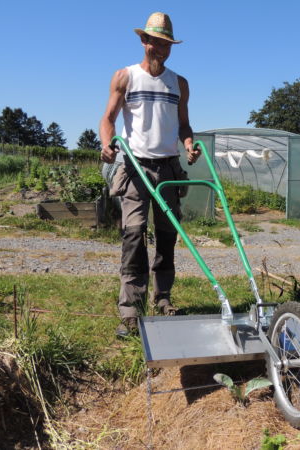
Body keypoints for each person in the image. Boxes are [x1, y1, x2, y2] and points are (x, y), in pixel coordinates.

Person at [100, 12, 201, 337]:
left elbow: (184, 124)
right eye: (155, 42)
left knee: (168, 237)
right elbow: (108, 118)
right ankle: (130, 311)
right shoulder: (125, 77)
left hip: (169, 167)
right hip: (135, 167)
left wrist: (189, 144)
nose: (160, 48)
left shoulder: (179, 83)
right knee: (134, 235)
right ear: (144, 41)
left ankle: (163, 298)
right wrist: (107, 144)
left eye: (166, 44)